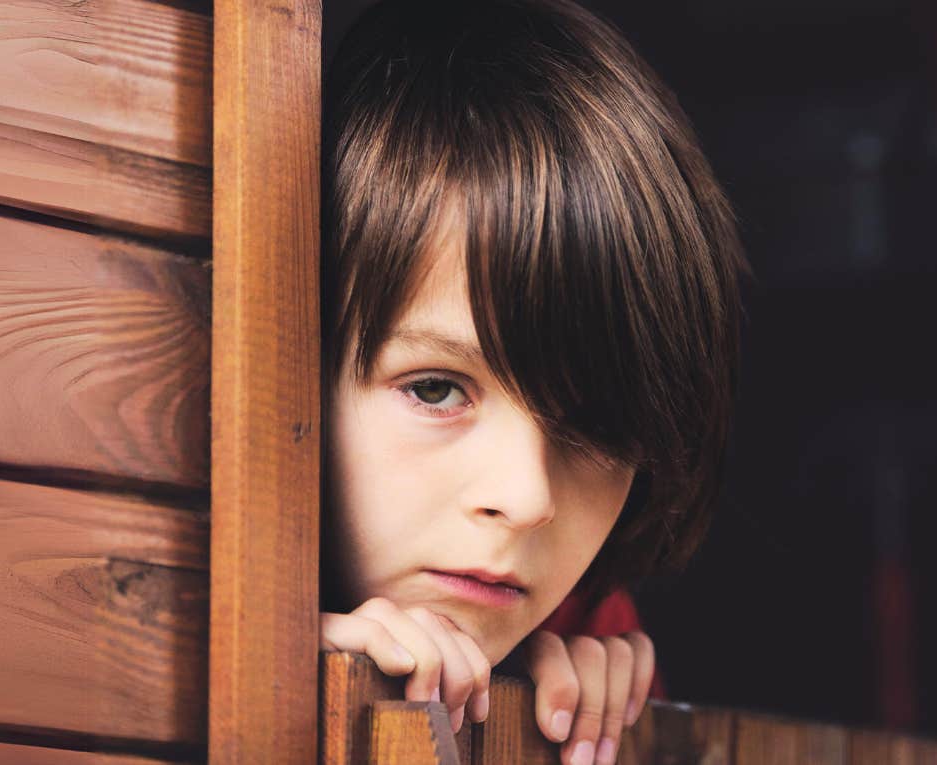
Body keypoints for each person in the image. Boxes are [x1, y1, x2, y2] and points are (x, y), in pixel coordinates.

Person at [316, 1, 746, 763]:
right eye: (437, 388)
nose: (527, 499)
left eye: (600, 423)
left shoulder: (585, 635)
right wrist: (280, 675)